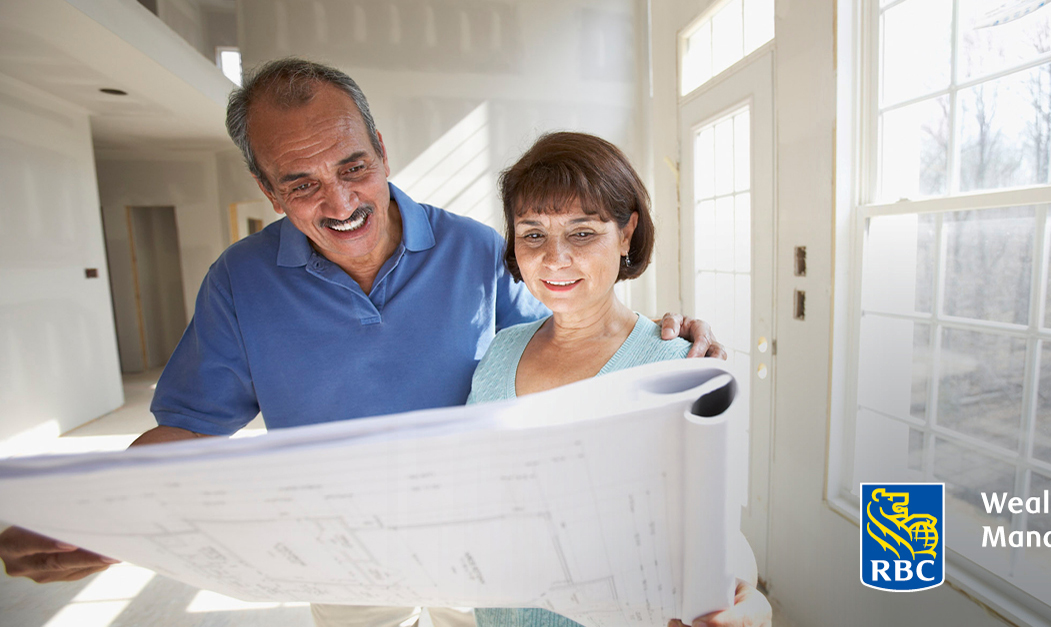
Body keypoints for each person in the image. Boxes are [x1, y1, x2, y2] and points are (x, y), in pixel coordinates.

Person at [0, 58, 725, 627]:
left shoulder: (475, 250)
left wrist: (662, 339)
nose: (341, 202)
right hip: (337, 558)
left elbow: (563, 328)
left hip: (477, 548)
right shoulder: (238, 281)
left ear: (381, 147)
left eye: (353, 166)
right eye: (302, 183)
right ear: (266, 188)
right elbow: (189, 424)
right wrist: (96, 515)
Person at [467, 132, 771, 627]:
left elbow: (718, 534)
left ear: (627, 233)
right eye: (533, 233)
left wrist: (739, 595)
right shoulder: (501, 352)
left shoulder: (677, 365)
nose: (554, 257)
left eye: (582, 232)